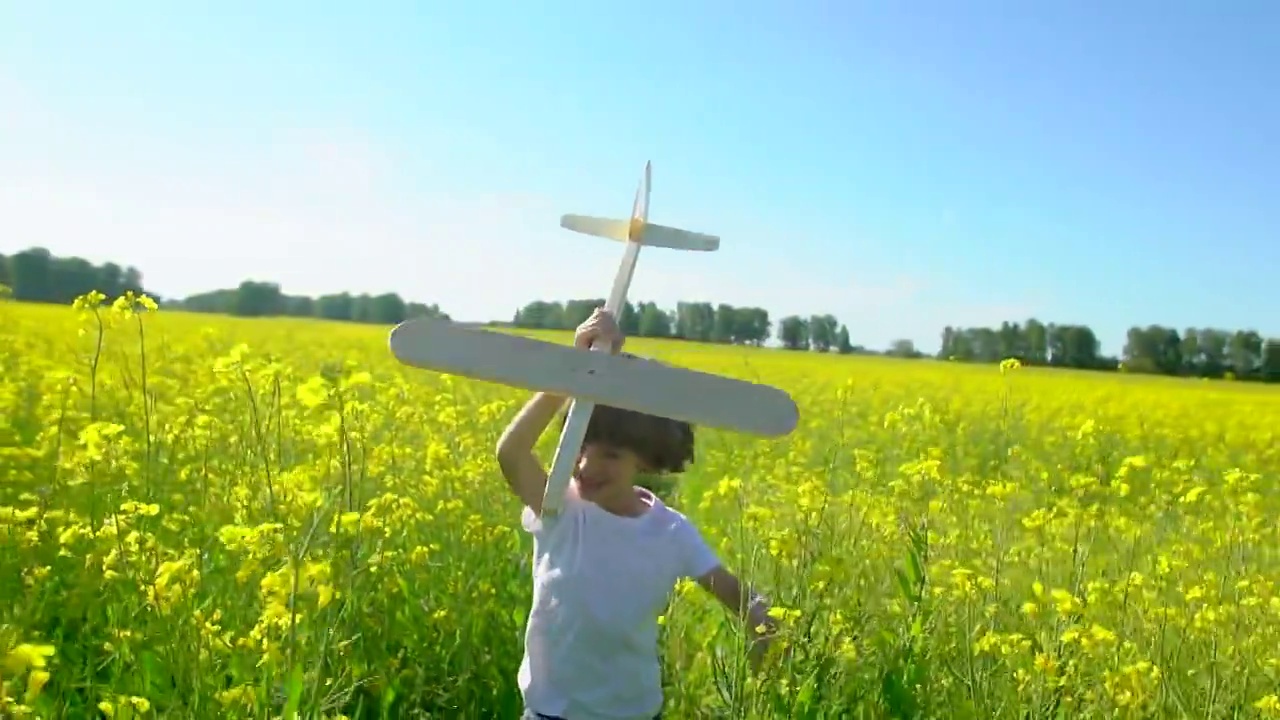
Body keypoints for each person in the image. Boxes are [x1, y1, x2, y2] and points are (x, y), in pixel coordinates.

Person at [495, 307, 778, 720]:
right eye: (581, 448)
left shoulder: (670, 531)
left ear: (645, 460)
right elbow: (511, 452)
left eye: (610, 455)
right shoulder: (560, 507)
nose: (588, 467)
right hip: (549, 713)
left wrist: (761, 622)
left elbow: (733, 593)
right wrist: (577, 369)